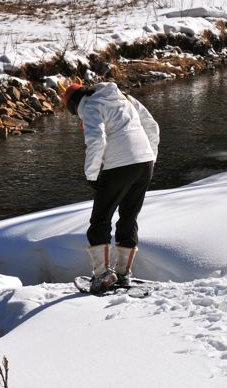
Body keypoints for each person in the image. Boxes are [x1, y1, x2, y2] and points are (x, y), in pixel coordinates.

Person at [61, 80, 160, 294]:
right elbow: (152, 125)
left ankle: (102, 275)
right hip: (145, 164)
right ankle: (123, 274)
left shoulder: (89, 106)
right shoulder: (124, 98)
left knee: (100, 220)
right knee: (128, 217)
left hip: (119, 166)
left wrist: (92, 175)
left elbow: (97, 140)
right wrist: (149, 157)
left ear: (73, 105)